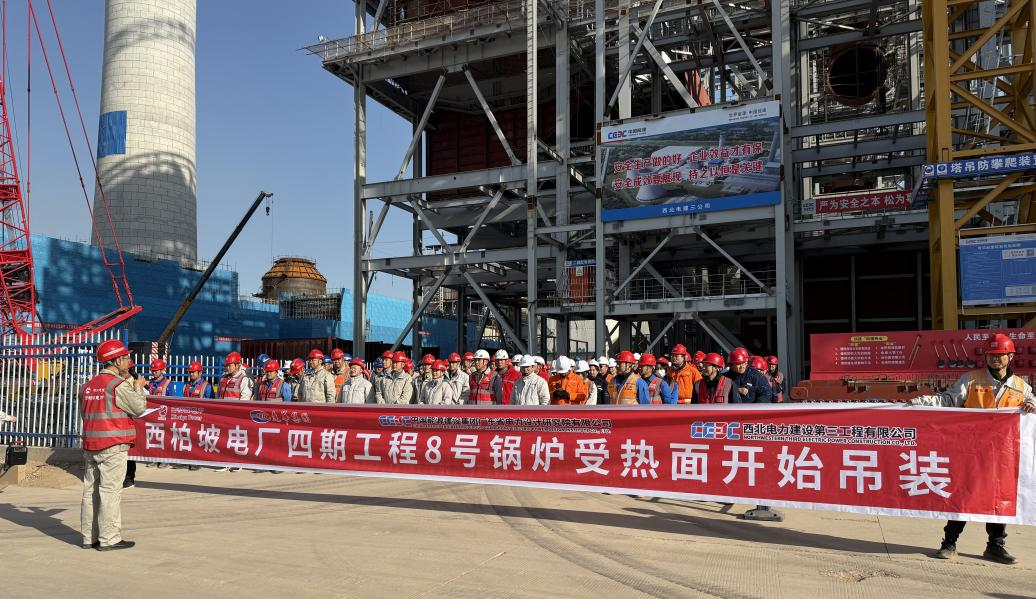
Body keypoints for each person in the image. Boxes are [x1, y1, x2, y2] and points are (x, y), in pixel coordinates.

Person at [912, 333, 1036, 564]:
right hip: (972, 452)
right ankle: (949, 543)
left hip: (1003, 455)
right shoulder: (971, 380)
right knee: (964, 497)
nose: (995, 359)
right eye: (991, 355)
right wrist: (921, 402)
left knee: (999, 499)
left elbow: (1032, 404)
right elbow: (947, 400)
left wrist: (1032, 404)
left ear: (1010, 356)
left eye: (1000, 355)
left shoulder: (1021, 386)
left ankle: (995, 546)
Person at [80, 339, 147, 551]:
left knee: (90, 492)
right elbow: (138, 408)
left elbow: (85, 414)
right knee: (110, 491)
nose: (129, 361)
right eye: (126, 357)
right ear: (116, 361)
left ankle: (89, 537)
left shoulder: (87, 386)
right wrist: (137, 388)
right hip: (113, 446)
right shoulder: (117, 385)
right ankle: (109, 538)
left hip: (91, 445)